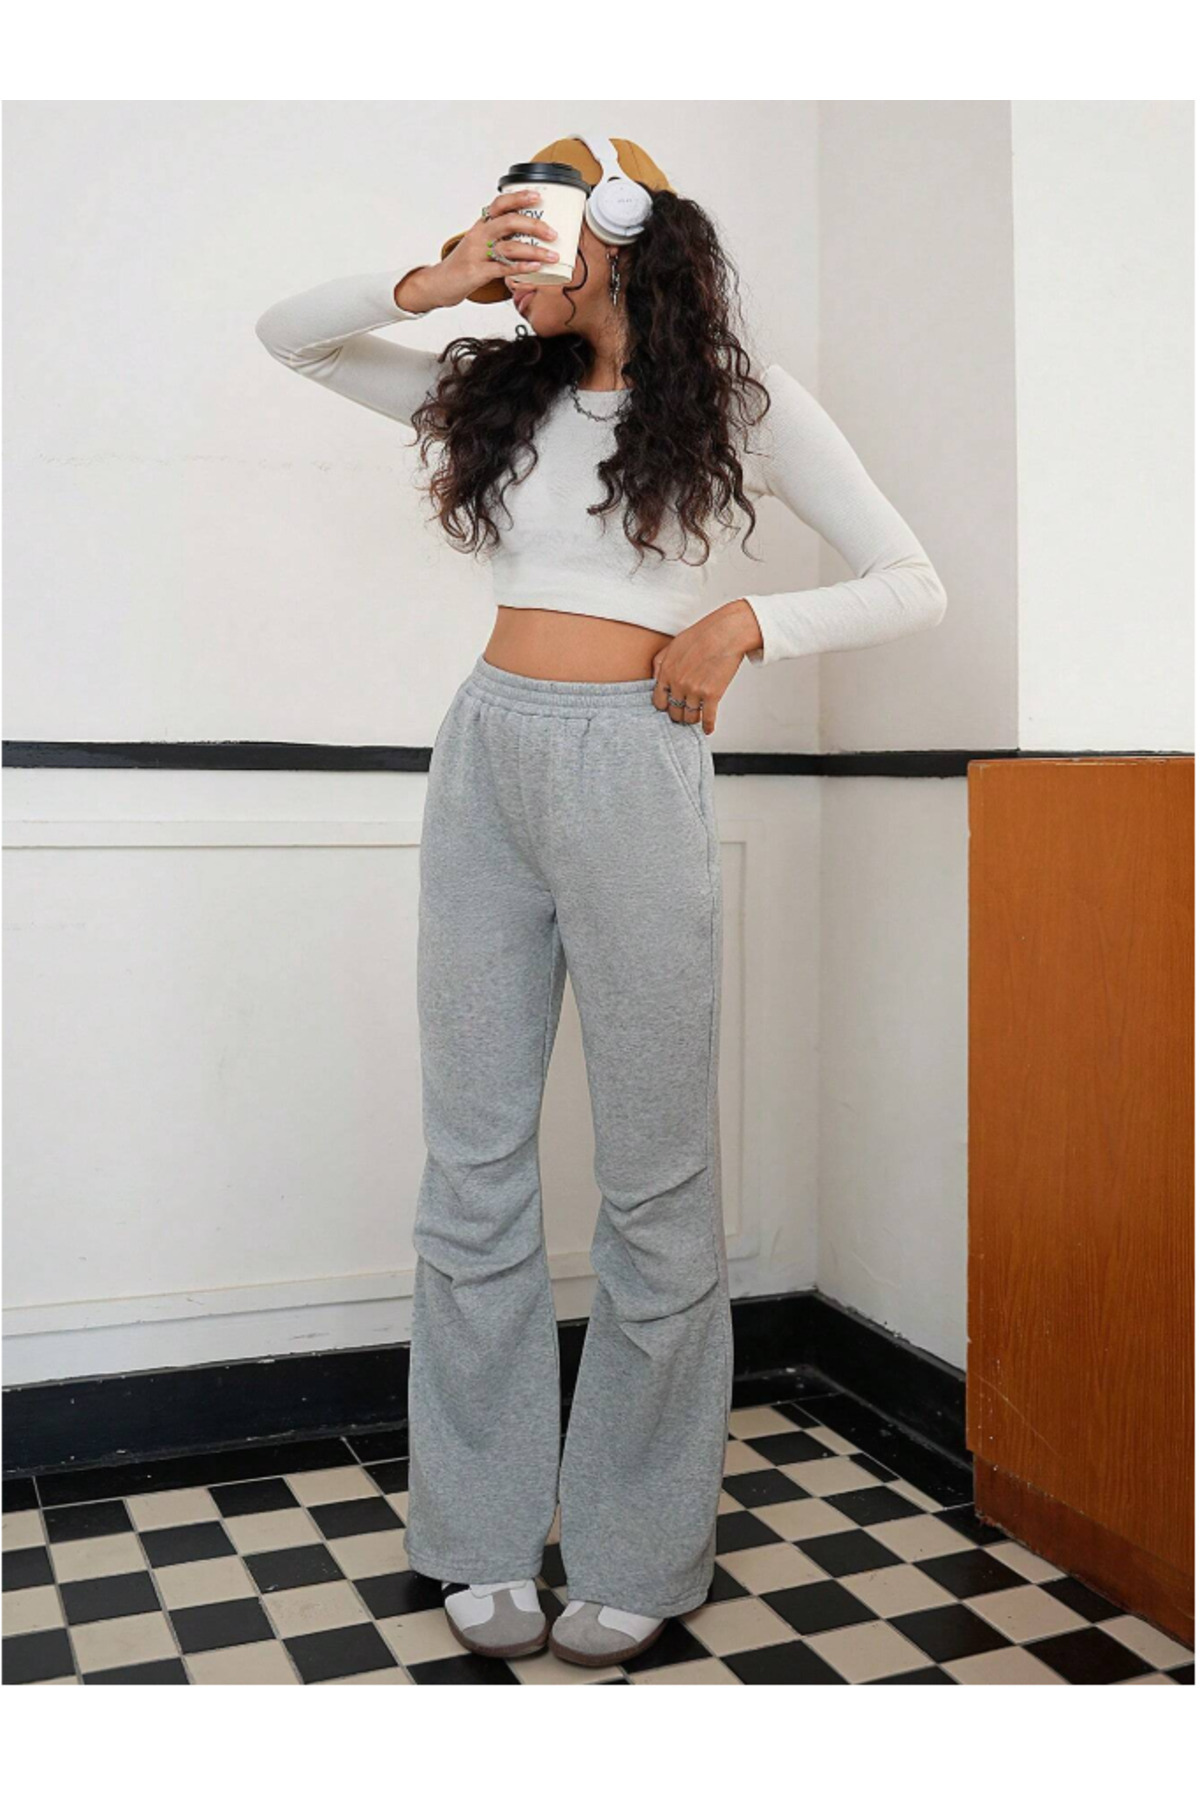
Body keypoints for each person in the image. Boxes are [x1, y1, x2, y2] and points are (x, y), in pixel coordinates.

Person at [255, 134, 947, 1670]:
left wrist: (745, 622)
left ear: (616, 240)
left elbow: (913, 580)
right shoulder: (500, 391)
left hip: (637, 766)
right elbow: (289, 339)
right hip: (488, 759)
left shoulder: (745, 408)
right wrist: (432, 282)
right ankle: (479, 1532)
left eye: (530, 237)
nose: (512, 267)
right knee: (474, 1167)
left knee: (654, 1180)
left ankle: (637, 1544)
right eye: (499, 238)